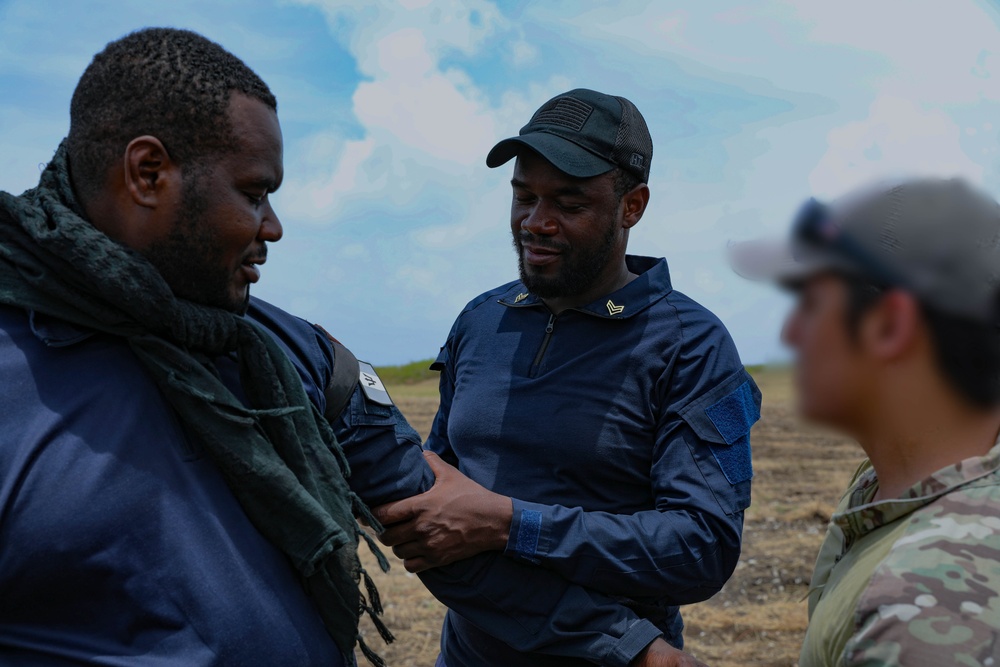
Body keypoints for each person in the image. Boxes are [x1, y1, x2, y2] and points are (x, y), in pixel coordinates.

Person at [0, 30, 711, 667]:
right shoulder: (15, 379)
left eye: (569, 201)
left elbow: (435, 528)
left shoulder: (299, 358)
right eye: (254, 194)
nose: (274, 227)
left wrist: (626, 646)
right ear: (149, 173)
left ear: (632, 207)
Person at [375, 88, 760, 666]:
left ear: (632, 206)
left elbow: (701, 551)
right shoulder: (482, 322)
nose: (536, 223)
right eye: (523, 197)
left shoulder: (691, 345)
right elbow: (436, 516)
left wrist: (510, 525)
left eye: (569, 203)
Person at [730, 178, 1000, 665]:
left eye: (811, 304)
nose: (792, 335)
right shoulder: (892, 485)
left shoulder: (928, 608)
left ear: (890, 326)